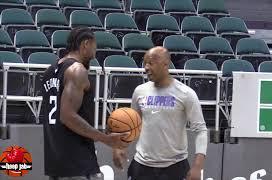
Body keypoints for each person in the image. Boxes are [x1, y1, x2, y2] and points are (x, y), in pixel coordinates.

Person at [41, 27, 128, 180]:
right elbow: (67, 116)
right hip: (77, 163)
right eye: (94, 47)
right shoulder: (77, 70)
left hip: (56, 163)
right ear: (86, 44)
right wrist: (106, 138)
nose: (95, 54)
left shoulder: (50, 71)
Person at [113, 46, 208, 180]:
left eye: (151, 63)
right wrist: (120, 146)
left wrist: (198, 166)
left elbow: (201, 130)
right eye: (145, 63)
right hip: (141, 166)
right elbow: (132, 124)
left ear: (165, 64)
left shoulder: (186, 93)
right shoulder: (139, 91)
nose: (146, 67)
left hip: (175, 167)